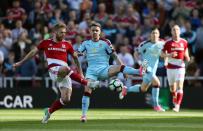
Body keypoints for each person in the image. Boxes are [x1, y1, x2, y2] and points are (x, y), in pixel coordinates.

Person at [13, 22, 99, 124]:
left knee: (66, 99)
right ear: (55, 32)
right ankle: (88, 83)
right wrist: (21, 62)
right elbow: (33, 52)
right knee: (65, 69)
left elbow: (75, 58)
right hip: (54, 70)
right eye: (61, 32)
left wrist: (80, 73)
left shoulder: (67, 44)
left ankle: (48, 112)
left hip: (64, 72)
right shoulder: (45, 42)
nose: (63, 34)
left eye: (65, 33)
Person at [77, 22, 146, 122]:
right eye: (93, 30)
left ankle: (139, 71)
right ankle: (83, 116)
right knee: (87, 91)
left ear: (100, 32)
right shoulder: (85, 43)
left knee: (119, 67)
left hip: (105, 69)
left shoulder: (106, 42)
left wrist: (124, 71)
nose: (95, 32)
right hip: (91, 72)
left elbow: (115, 56)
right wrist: (76, 54)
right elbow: (78, 53)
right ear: (89, 31)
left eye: (97, 30)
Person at [119, 28, 176, 112]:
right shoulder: (144, 44)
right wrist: (139, 62)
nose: (155, 35)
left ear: (159, 34)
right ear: (150, 35)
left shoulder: (162, 43)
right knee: (157, 83)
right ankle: (156, 106)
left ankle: (126, 89)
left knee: (143, 89)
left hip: (153, 68)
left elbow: (162, 54)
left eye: (156, 33)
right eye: (153, 33)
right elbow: (136, 53)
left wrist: (168, 57)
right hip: (145, 65)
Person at [162, 25, 190, 112]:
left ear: (180, 31)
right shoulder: (168, 43)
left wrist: (188, 58)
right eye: (174, 30)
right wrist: (169, 55)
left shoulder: (184, 42)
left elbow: (186, 53)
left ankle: (177, 105)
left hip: (180, 67)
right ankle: (175, 98)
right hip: (170, 68)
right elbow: (162, 54)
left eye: (177, 29)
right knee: (172, 89)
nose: (176, 31)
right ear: (171, 32)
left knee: (180, 87)